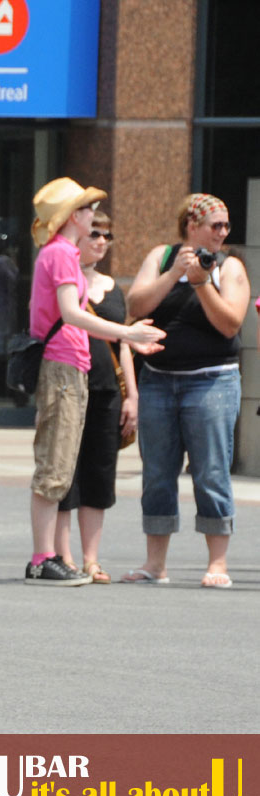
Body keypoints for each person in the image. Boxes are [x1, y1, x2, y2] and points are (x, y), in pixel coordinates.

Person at [25, 179, 165, 586]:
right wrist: (128, 334)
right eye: (87, 209)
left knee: (61, 464)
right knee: (55, 466)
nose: (93, 216)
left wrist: (127, 334)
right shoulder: (63, 255)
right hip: (63, 368)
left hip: (70, 368)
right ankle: (42, 557)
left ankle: (47, 555)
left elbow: (75, 314)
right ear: (72, 216)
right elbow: (71, 314)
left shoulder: (59, 253)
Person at [120, 193, 250, 588]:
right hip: (159, 379)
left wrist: (200, 284)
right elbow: (137, 306)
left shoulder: (230, 268)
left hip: (212, 381)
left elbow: (230, 324)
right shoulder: (161, 256)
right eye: (216, 225)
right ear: (191, 226)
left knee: (211, 471)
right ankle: (155, 564)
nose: (223, 233)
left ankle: (218, 564)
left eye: (226, 226)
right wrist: (173, 271)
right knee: (157, 472)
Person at [53, 212, 137, 584]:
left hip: (107, 392)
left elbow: (123, 347)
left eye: (108, 235)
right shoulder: (65, 281)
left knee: (100, 474)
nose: (102, 240)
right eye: (95, 233)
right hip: (70, 385)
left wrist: (132, 396)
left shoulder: (114, 287)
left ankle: (91, 558)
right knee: (64, 472)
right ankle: (63, 555)